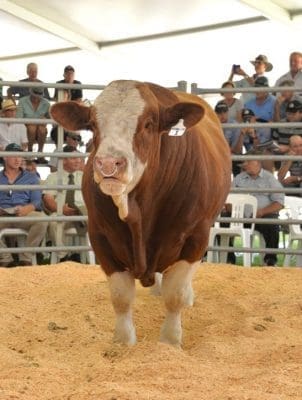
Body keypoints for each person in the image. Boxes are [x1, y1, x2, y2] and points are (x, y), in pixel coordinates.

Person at [233, 151, 284, 266]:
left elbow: (279, 202)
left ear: (258, 162)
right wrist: (230, 208)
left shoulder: (269, 178)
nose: (245, 164)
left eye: (248, 161)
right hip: (240, 217)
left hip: (262, 216)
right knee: (221, 222)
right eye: (244, 162)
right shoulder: (238, 178)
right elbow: (229, 197)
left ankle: (270, 261)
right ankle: (227, 258)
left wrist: (262, 211)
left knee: (272, 224)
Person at [0, 143, 48, 267]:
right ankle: (6, 259)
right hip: (2, 214)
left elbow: (37, 201)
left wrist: (29, 208)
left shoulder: (31, 178)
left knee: (42, 220)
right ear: (5, 157)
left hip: (23, 213)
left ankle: (25, 259)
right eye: (14, 156)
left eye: (20, 156)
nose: (18, 159)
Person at [42, 145, 87, 262]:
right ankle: (64, 257)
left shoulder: (85, 177)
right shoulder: (53, 177)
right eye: (74, 158)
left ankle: (103, 258)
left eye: (79, 158)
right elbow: (48, 199)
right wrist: (60, 209)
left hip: (83, 214)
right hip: (61, 213)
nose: (78, 160)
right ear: (64, 160)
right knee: (52, 222)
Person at [16, 87, 50, 163]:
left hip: (40, 130)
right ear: (31, 93)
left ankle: (39, 152)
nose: (36, 97)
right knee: (32, 128)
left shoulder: (46, 103)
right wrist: (32, 122)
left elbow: (52, 117)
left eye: (39, 95)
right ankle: (30, 151)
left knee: (41, 129)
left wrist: (46, 119)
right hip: (26, 129)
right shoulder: (22, 101)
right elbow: (19, 119)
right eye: (34, 95)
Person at [214, 101, 241, 175]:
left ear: (228, 112)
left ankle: (237, 184)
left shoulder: (235, 125)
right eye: (219, 113)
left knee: (237, 160)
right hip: (216, 153)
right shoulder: (212, 125)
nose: (222, 115)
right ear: (215, 114)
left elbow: (236, 149)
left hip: (230, 153)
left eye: (224, 112)